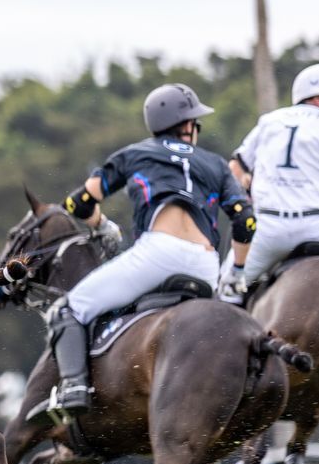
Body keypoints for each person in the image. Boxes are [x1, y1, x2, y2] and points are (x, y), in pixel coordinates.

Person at [28, 83, 256, 426]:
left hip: (157, 255)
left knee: (68, 309)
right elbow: (246, 221)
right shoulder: (216, 165)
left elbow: (78, 203)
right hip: (206, 266)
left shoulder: (134, 154)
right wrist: (236, 270)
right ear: (187, 125)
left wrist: (102, 224)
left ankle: (75, 387)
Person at [226, 62, 319, 298]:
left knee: (224, 294)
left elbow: (234, 171)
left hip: (267, 229)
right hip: (318, 227)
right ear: (317, 98)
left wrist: (248, 197)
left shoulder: (270, 121)